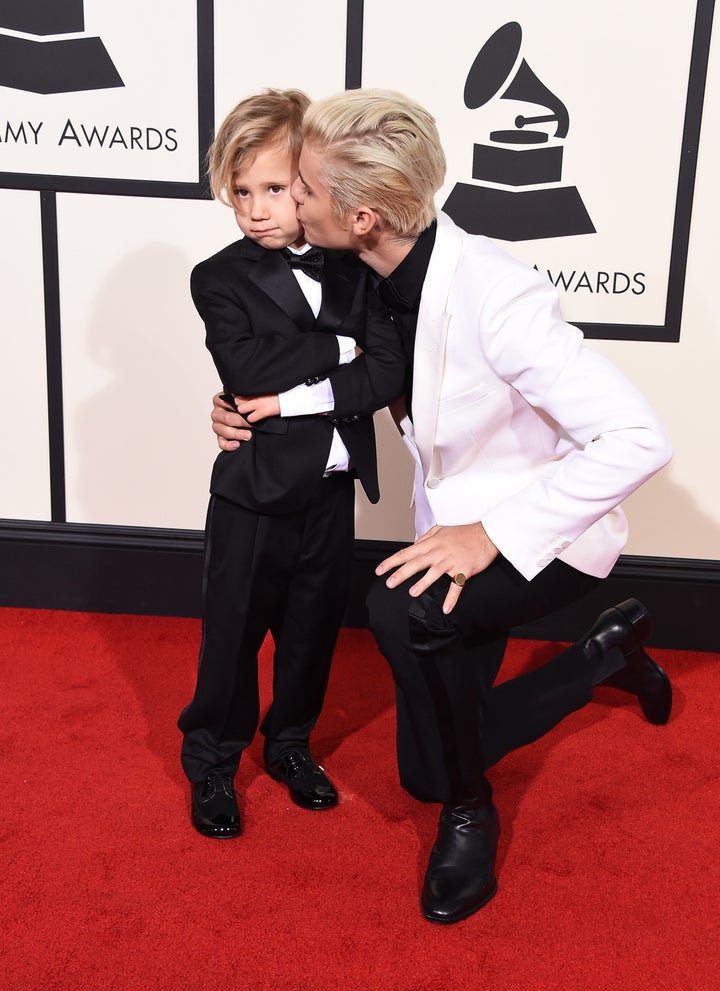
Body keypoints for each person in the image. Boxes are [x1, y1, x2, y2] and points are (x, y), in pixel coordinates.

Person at [210, 88, 673, 922]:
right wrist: (237, 404)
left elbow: (639, 438)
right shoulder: (361, 271)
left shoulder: (499, 295)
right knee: (421, 763)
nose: (287, 198)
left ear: (363, 217)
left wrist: (492, 533)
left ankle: (473, 813)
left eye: (303, 189)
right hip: (448, 528)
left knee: (402, 613)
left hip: (546, 531)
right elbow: (311, 360)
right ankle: (607, 653)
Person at [178, 89, 405, 840]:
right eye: (240, 192)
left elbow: (385, 375)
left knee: (312, 631)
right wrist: (341, 349)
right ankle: (212, 758)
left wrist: (295, 388)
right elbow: (246, 368)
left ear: (309, 181)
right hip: (253, 491)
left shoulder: (357, 262)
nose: (256, 209)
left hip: (332, 491)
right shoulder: (218, 278)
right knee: (233, 633)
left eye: (275, 188)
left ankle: (290, 745)